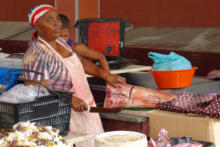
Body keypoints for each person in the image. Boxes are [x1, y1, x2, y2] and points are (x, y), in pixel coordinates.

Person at [23, 4, 126, 147]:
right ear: (37, 26)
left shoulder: (60, 41)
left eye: (57, 19)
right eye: (49, 20)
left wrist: (106, 75)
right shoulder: (37, 54)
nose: (56, 24)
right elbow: (33, 91)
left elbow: (81, 63)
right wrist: (69, 100)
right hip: (63, 117)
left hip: (86, 107)